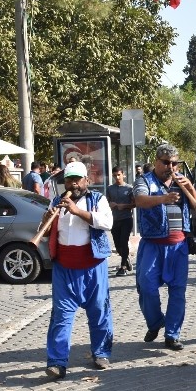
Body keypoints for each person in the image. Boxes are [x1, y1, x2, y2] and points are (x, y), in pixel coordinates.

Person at [40, 161, 114, 378]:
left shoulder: (97, 199)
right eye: (69, 179)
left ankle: (101, 353)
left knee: (99, 310)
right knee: (61, 315)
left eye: (77, 179)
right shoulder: (56, 202)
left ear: (86, 181)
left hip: (93, 266)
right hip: (65, 268)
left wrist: (78, 211)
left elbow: (107, 223)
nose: (73, 183)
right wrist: (46, 220)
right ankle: (57, 362)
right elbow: (44, 232)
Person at [134, 144, 196, 351]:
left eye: (174, 163)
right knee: (146, 288)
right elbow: (140, 200)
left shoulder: (181, 181)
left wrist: (189, 188)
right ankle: (155, 323)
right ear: (156, 162)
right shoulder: (144, 180)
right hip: (153, 245)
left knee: (178, 292)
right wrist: (164, 198)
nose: (170, 167)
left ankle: (172, 335)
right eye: (165, 163)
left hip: (178, 246)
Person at [106, 166, 135, 276]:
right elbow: (106, 203)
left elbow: (135, 204)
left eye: (119, 175)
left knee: (124, 241)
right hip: (114, 220)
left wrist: (125, 206)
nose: (117, 177)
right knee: (118, 245)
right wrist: (110, 205)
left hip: (126, 219)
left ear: (123, 174)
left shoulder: (129, 188)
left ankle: (123, 267)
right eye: (115, 175)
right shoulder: (110, 188)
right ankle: (126, 258)